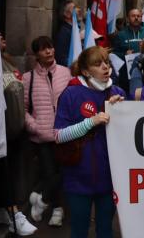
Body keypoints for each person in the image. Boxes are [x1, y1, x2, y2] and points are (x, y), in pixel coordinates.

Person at [54, 46, 125, 238]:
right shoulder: (71, 94)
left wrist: (122, 110)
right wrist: (90, 122)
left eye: (106, 62)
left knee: (105, 230)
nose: (105, 67)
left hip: (109, 177)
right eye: (97, 63)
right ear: (85, 71)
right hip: (78, 177)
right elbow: (58, 135)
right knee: (79, 230)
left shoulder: (117, 92)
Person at [0, 33, 37, 236]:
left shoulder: (8, 61)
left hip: (15, 130)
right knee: (1, 172)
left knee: (10, 171)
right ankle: (14, 214)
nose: (1, 35)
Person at [22, 36, 71, 227]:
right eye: (44, 49)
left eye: (50, 47)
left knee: (63, 173)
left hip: (64, 134)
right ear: (37, 55)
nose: (49, 52)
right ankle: (57, 209)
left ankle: (41, 200)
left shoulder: (65, 73)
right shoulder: (28, 78)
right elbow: (24, 109)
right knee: (50, 174)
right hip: (42, 136)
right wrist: (34, 126)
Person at [54, 0, 75, 66]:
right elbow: (61, 58)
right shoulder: (64, 32)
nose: (79, 10)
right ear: (66, 14)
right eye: (74, 9)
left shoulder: (73, 30)